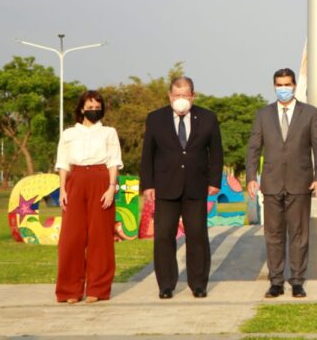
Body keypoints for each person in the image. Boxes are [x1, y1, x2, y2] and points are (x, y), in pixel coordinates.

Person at [246, 68, 317, 299]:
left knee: (299, 234)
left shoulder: (310, 113)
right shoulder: (263, 114)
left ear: (294, 86)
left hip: (300, 182)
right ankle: (276, 281)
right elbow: (253, 148)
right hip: (271, 183)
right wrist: (251, 177)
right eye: (279, 85)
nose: (283, 89)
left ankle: (298, 281)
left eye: (287, 84)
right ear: (274, 86)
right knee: (273, 234)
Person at [139, 76, 223, 299]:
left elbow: (215, 153)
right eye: (177, 95)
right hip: (165, 187)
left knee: (197, 235)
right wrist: (147, 184)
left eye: (185, 95)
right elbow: (147, 154)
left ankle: (198, 284)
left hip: (197, 186)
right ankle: (166, 285)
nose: (181, 99)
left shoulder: (208, 118)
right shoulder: (155, 118)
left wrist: (215, 181)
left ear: (193, 96)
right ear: (169, 96)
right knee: (163, 236)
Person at [55, 90, 123, 304]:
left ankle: (97, 289)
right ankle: (69, 290)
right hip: (75, 180)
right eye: (90, 107)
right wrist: (63, 190)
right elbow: (63, 163)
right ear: (81, 108)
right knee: (71, 237)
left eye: (97, 107)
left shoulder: (109, 132)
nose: (94, 111)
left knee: (100, 236)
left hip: (101, 179)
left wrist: (111, 187)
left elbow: (113, 160)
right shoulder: (68, 134)